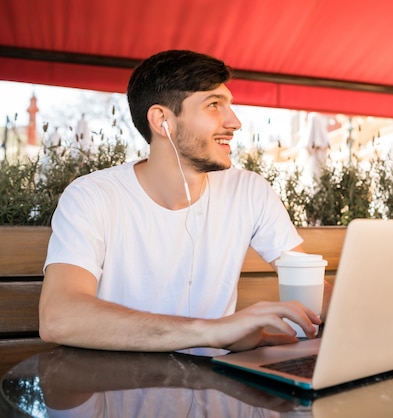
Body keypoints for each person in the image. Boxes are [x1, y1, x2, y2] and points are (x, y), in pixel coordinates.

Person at [39, 50, 329, 357]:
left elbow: (310, 281)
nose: (235, 122)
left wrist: (373, 317)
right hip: (118, 391)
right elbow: (59, 317)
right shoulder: (92, 197)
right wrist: (213, 331)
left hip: (217, 391)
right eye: (214, 105)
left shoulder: (249, 191)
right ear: (162, 120)